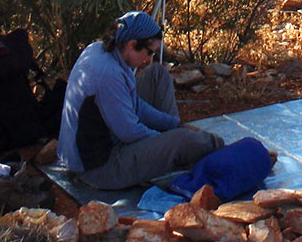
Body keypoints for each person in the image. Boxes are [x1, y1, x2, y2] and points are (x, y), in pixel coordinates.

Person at [57, 10, 223, 189]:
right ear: (132, 44)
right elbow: (130, 132)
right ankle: (218, 148)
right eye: (149, 52)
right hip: (98, 167)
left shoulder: (102, 50)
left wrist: (173, 124)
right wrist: (168, 138)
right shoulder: (109, 75)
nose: (148, 59)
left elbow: (135, 104)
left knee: (157, 74)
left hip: (110, 137)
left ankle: (182, 149)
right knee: (180, 140)